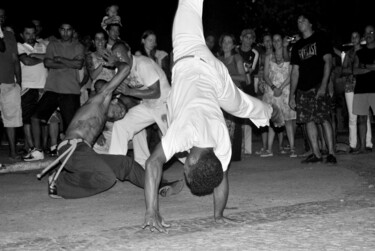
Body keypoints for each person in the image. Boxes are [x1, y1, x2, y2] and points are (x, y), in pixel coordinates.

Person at [142, 0, 282, 233]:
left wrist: (219, 216)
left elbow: (221, 178)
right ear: (193, 162)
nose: (183, 168)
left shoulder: (220, 144)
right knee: (242, 107)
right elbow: (152, 162)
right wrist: (151, 210)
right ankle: (271, 111)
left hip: (215, 76)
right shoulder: (185, 132)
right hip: (191, 58)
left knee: (243, 106)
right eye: (186, 170)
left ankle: (270, 111)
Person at [46, 54, 183, 199]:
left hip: (84, 152)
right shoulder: (98, 100)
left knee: (125, 163)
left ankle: (159, 184)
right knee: (107, 178)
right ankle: (59, 183)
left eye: (117, 116)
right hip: (71, 149)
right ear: (114, 101)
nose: (118, 115)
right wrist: (117, 62)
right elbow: (125, 69)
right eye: (118, 111)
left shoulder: (101, 115)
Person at [108, 41, 171, 169]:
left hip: (165, 104)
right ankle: (117, 167)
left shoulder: (143, 64)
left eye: (120, 55)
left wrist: (129, 91)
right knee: (121, 125)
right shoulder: (120, 69)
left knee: (176, 142)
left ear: (129, 52)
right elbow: (117, 91)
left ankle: (200, 163)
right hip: (147, 105)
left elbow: (156, 92)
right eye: (115, 57)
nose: (118, 59)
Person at [29, 21, 85, 161]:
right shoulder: (53, 45)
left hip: (70, 90)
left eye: (69, 30)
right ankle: (38, 151)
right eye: (63, 30)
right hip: (52, 88)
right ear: (59, 30)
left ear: (72, 31)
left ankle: (71, 155)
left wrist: (59, 59)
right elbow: (47, 63)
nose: (66, 33)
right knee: (35, 117)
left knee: (70, 126)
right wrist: (68, 62)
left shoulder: (78, 46)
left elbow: (78, 64)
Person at [289, 13, 337, 164]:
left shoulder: (321, 38)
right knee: (307, 120)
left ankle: (331, 153)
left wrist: (324, 85)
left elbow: (328, 62)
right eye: (298, 20)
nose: (300, 22)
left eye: (303, 19)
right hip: (303, 89)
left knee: (323, 118)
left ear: (310, 24)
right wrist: (291, 95)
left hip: (318, 85)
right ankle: (316, 153)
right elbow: (295, 71)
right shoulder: (297, 46)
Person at [261, 33, 297, 158]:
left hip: (285, 90)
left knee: (287, 120)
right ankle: (269, 149)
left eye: (278, 40)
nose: (276, 42)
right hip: (272, 91)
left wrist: (280, 88)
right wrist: (273, 88)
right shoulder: (268, 57)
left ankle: (292, 149)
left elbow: (291, 74)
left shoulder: (289, 56)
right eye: (274, 40)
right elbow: (265, 75)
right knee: (273, 120)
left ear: (282, 42)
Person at [17, 22, 48, 160]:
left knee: (41, 120)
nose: (30, 36)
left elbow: (50, 59)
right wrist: (43, 57)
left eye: (32, 33)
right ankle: (32, 148)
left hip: (44, 86)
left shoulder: (43, 45)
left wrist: (35, 56)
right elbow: (27, 61)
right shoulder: (19, 46)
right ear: (22, 35)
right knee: (27, 119)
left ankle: (39, 148)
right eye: (27, 33)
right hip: (28, 86)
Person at [342, 31, 372, 153]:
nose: (354, 39)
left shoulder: (366, 51)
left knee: (365, 116)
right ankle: (353, 144)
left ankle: (368, 143)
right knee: (352, 116)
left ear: (360, 39)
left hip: (364, 86)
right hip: (350, 86)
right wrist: (356, 69)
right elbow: (344, 70)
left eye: (356, 37)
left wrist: (357, 69)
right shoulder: (348, 53)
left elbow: (368, 68)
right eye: (352, 37)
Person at [0, 8, 23, 161]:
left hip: (9, 83)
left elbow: (15, 59)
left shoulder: (9, 35)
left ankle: (13, 152)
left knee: (12, 119)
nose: (0, 18)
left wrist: (19, 82)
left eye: (2, 15)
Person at [352, 24, 375, 154]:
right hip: (361, 89)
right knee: (361, 118)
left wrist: (364, 66)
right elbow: (354, 70)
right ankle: (361, 147)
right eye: (366, 33)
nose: (369, 34)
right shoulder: (359, 52)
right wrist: (370, 67)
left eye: (371, 32)